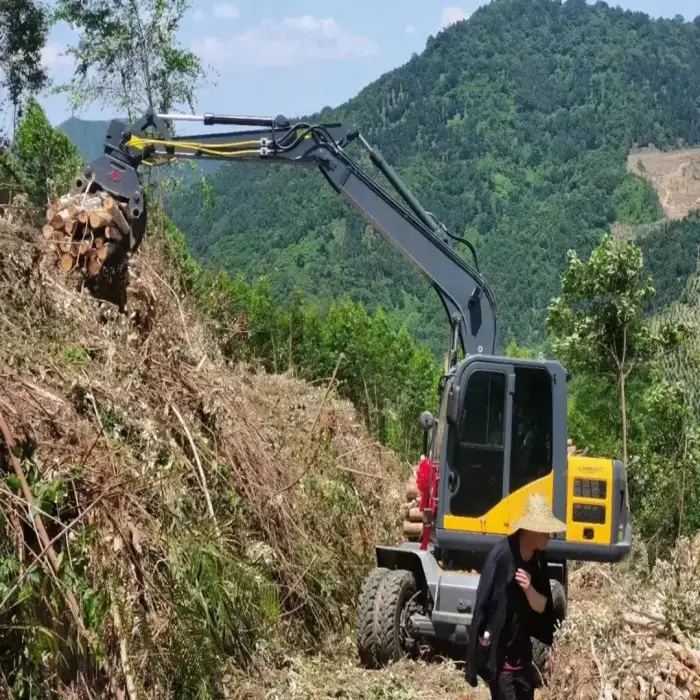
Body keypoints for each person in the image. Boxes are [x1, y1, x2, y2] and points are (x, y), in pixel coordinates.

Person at [464, 493, 567, 699]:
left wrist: (529, 588)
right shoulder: (501, 556)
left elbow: (543, 606)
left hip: (522, 659)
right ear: (532, 529)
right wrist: (476, 657)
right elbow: (482, 604)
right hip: (500, 661)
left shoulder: (538, 559)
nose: (550, 536)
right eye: (546, 531)